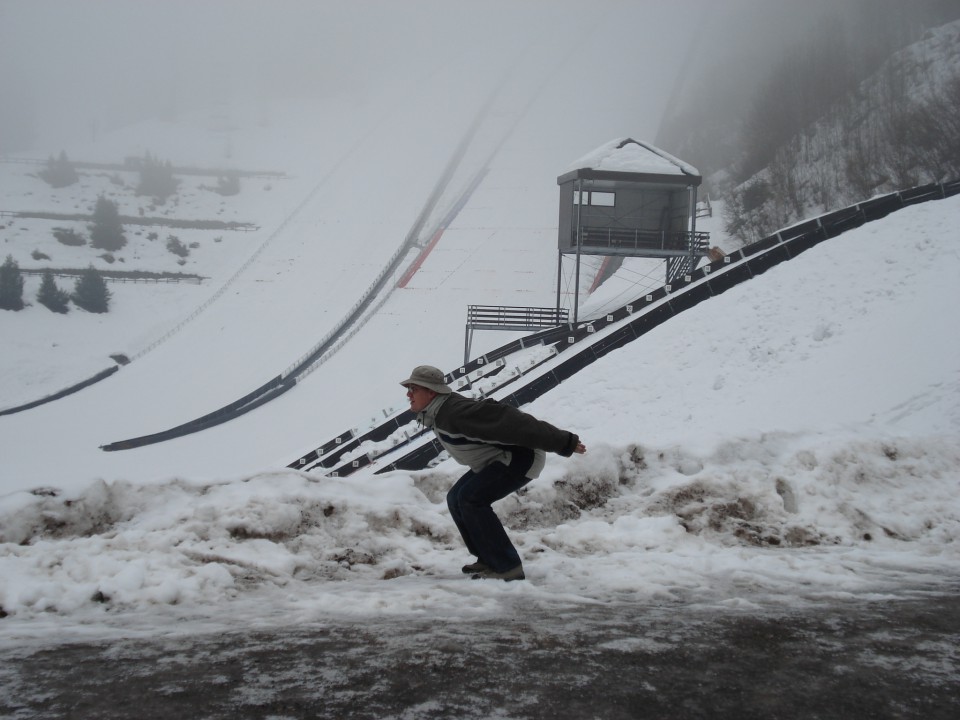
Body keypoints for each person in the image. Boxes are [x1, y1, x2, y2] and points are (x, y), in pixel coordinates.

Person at [400, 365, 586, 581]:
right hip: (498, 458)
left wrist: (564, 442)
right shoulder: (439, 411)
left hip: (520, 457)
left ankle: (507, 567)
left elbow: (513, 421)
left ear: (431, 391)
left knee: (471, 499)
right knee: (456, 498)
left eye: (413, 389)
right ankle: (488, 558)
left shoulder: (455, 412)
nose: (408, 394)